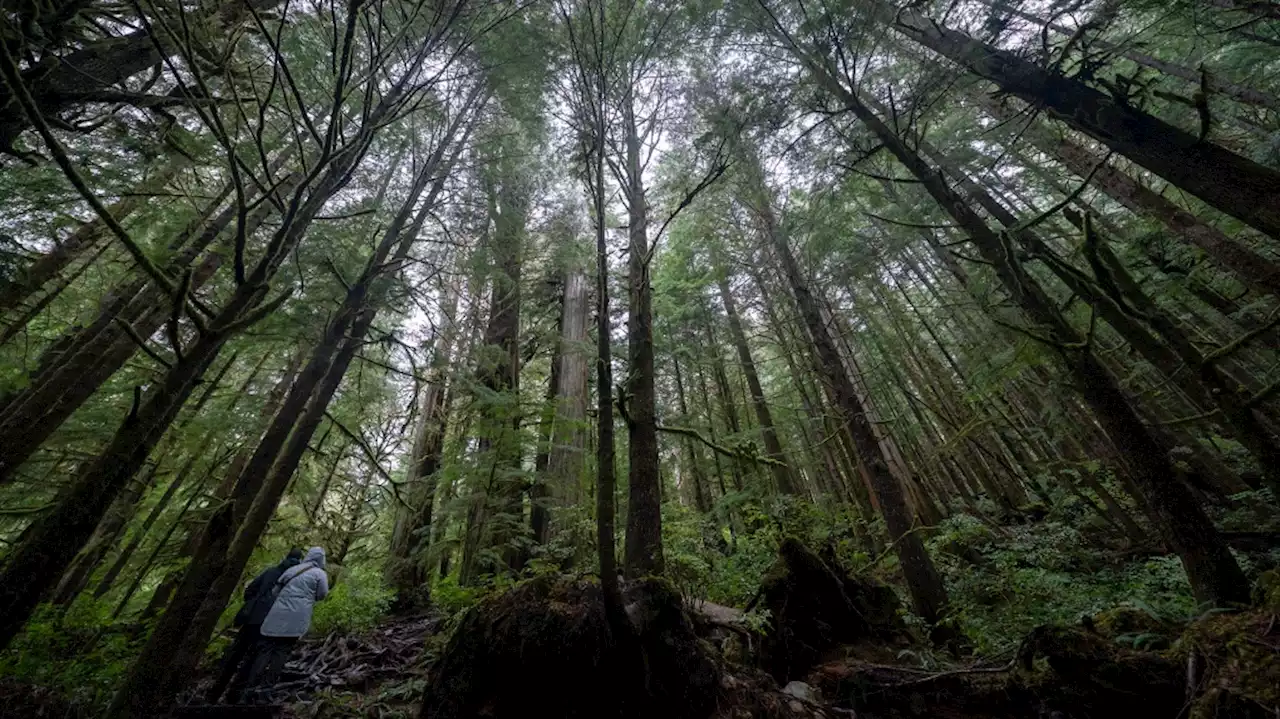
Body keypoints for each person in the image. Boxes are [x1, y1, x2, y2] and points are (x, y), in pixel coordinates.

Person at [205, 548, 303, 704]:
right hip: (269, 624)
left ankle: (213, 694)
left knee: (234, 655)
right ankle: (234, 696)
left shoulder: (271, 571)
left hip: (251, 619)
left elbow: (250, 590)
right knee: (251, 660)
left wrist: (253, 604)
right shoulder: (293, 580)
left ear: (286, 557)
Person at [241, 546, 330, 704]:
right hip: (297, 617)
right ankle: (266, 690)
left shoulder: (293, 569)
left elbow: (276, 591)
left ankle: (249, 689)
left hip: (277, 614)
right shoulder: (320, 574)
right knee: (281, 652)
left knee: (265, 650)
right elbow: (322, 594)